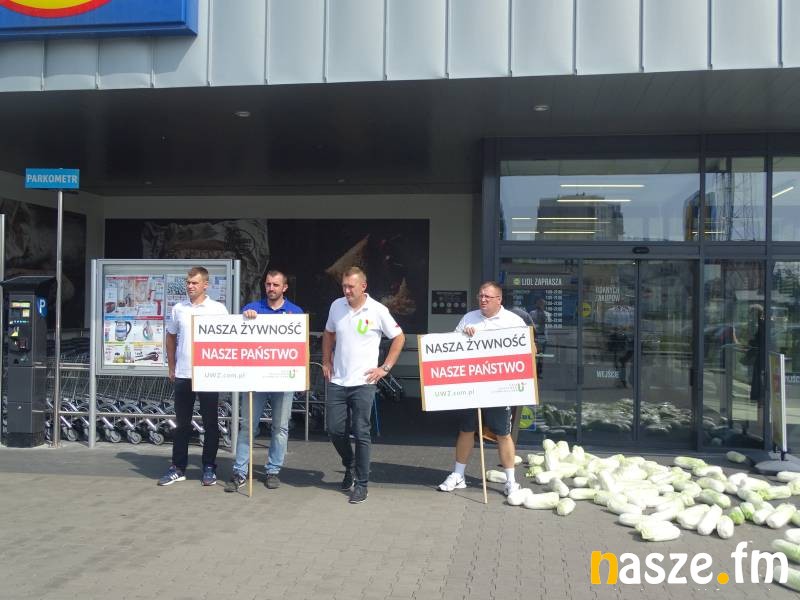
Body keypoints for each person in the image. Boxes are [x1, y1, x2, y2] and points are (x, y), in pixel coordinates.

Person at [322, 266, 405, 504]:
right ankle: (349, 463)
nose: (346, 291)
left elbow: (399, 337)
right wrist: (326, 361)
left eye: (351, 287)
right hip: (338, 379)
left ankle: (361, 483)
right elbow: (328, 333)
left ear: (363, 286)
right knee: (334, 429)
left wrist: (385, 368)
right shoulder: (336, 306)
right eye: (344, 286)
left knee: (361, 432)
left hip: (364, 382)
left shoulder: (378, 310)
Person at [438, 281, 529, 496]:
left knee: (503, 433)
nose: (483, 300)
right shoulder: (469, 318)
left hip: (499, 388)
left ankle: (510, 481)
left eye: (488, 296)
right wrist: (463, 336)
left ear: (499, 299)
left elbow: (528, 349)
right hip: (472, 386)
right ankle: (458, 475)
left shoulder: (513, 321)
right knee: (466, 429)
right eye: (480, 296)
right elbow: (452, 348)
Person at [225, 270, 304, 493]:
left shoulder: (295, 312)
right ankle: (240, 471)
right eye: (268, 284)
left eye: (276, 285)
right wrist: (245, 319)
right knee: (247, 426)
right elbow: (239, 339)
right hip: (256, 379)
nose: (271, 288)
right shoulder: (252, 308)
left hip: (283, 379)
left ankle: (273, 470)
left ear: (284, 288)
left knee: (280, 428)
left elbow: (300, 347)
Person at [158, 266, 229, 486]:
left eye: (194, 283)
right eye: (188, 282)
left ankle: (209, 467)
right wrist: (172, 366)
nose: (190, 286)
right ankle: (178, 467)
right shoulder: (179, 308)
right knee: (182, 423)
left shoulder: (218, 309)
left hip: (208, 374)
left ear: (205, 285)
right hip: (183, 373)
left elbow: (229, 339)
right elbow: (170, 337)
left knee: (210, 423)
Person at [528, 298, 551, 377]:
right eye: (539, 304)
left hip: (543, 337)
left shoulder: (547, 314)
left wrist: (543, 314)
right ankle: (532, 371)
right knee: (533, 355)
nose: (541, 305)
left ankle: (539, 372)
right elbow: (531, 323)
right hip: (535, 337)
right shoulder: (532, 313)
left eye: (542, 304)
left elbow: (548, 322)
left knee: (541, 356)